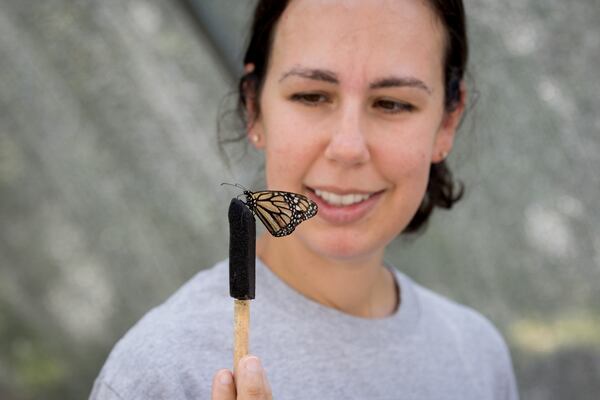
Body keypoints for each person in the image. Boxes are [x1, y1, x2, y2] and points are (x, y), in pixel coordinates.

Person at [90, 0, 519, 399]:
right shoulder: (159, 375)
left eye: (392, 103)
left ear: (447, 123)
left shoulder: (478, 357)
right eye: (311, 95)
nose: (348, 147)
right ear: (254, 107)